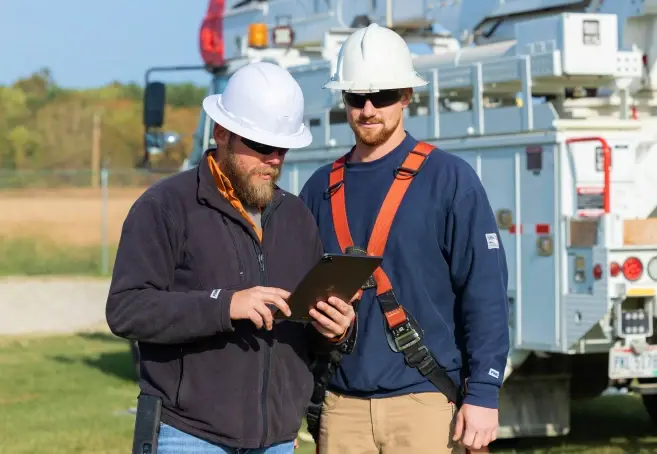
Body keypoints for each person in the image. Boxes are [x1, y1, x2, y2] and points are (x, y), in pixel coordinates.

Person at [106, 61, 356, 454]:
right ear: (222, 133)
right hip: (187, 435)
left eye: (283, 147)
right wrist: (226, 305)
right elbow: (126, 308)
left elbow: (303, 336)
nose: (274, 159)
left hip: (276, 441)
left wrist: (333, 330)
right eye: (260, 145)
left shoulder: (297, 217)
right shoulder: (165, 206)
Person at [299, 23, 510, 453]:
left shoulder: (450, 180)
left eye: (385, 95)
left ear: (408, 96)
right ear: (344, 99)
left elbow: (484, 294)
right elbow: (300, 304)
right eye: (357, 97)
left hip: (425, 403)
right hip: (342, 406)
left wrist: (484, 395)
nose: (369, 108)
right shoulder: (318, 189)